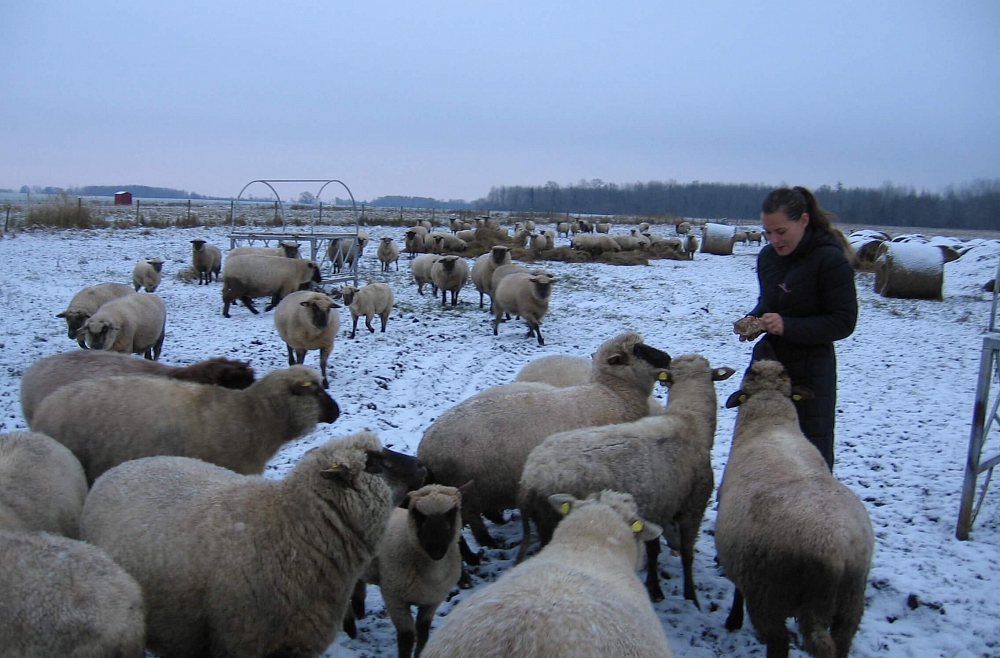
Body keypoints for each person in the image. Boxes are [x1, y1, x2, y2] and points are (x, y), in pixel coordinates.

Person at [734, 186, 858, 471]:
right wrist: (755, 321)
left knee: (807, 457)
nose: (773, 240)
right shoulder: (767, 259)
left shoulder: (830, 260)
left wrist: (788, 326)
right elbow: (770, 302)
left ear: (802, 221)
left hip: (811, 372)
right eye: (767, 232)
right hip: (767, 367)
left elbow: (843, 321)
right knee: (761, 447)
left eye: (781, 231)